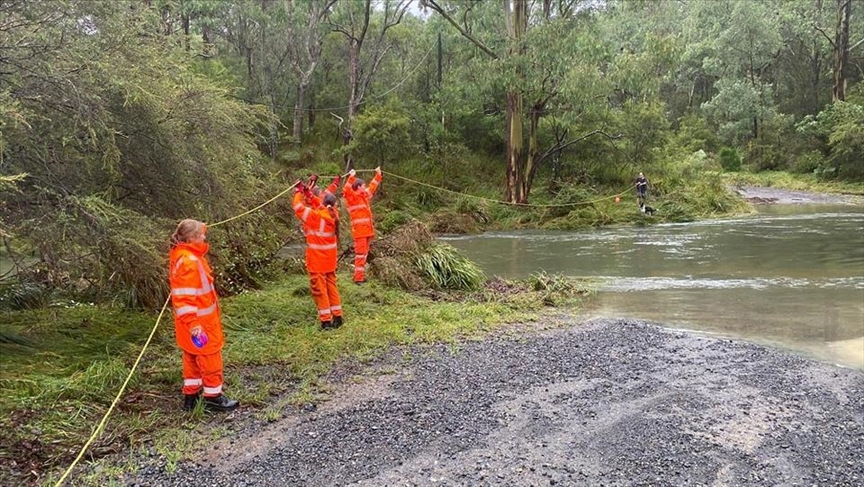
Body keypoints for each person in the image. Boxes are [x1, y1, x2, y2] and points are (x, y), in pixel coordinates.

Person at [169, 219, 239, 412]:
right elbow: (184, 297)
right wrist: (194, 324)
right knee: (210, 357)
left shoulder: (183, 255)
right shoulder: (189, 261)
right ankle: (213, 397)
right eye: (201, 234)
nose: (204, 237)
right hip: (199, 322)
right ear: (191, 238)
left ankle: (191, 396)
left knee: (191, 356)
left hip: (190, 321)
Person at [292, 181, 344, 329]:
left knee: (319, 291)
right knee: (331, 287)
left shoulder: (316, 217)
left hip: (317, 261)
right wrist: (308, 193)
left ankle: (326, 321)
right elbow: (319, 204)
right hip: (329, 260)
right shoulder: (334, 215)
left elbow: (298, 207)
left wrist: (298, 192)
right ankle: (338, 317)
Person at [343, 166, 382, 284]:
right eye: (363, 186)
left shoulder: (364, 197)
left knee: (364, 255)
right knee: (360, 255)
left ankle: (360, 276)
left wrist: (378, 175)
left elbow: (372, 187)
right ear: (358, 187)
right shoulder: (352, 197)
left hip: (367, 231)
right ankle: (358, 278)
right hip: (360, 232)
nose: (365, 188)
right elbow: (346, 190)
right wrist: (351, 177)